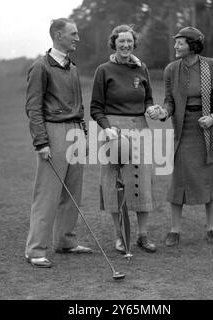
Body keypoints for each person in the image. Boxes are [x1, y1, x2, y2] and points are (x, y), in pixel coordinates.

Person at [148, 26, 213, 246]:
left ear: (192, 45)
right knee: (179, 180)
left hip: (209, 130)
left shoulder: (212, 66)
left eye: (180, 42)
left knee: (211, 179)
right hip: (184, 131)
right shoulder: (171, 70)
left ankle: (212, 228)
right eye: (175, 42)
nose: (175, 46)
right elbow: (170, 101)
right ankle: (174, 230)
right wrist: (163, 112)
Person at [25, 18, 92, 268]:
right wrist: (41, 142)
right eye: (73, 34)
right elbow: (33, 108)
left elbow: (79, 106)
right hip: (54, 133)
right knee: (47, 194)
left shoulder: (72, 67)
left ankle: (65, 241)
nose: (77, 38)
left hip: (75, 132)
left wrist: (83, 133)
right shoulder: (40, 66)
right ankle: (35, 250)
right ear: (57, 35)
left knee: (72, 192)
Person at [90, 25, 157, 253]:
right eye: (121, 42)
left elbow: (148, 98)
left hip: (140, 128)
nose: (126, 45)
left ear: (133, 43)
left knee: (141, 182)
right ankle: (119, 236)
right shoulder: (103, 70)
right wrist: (107, 128)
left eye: (129, 42)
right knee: (114, 184)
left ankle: (143, 236)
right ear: (114, 44)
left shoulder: (142, 68)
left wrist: (149, 109)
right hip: (113, 132)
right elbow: (96, 108)